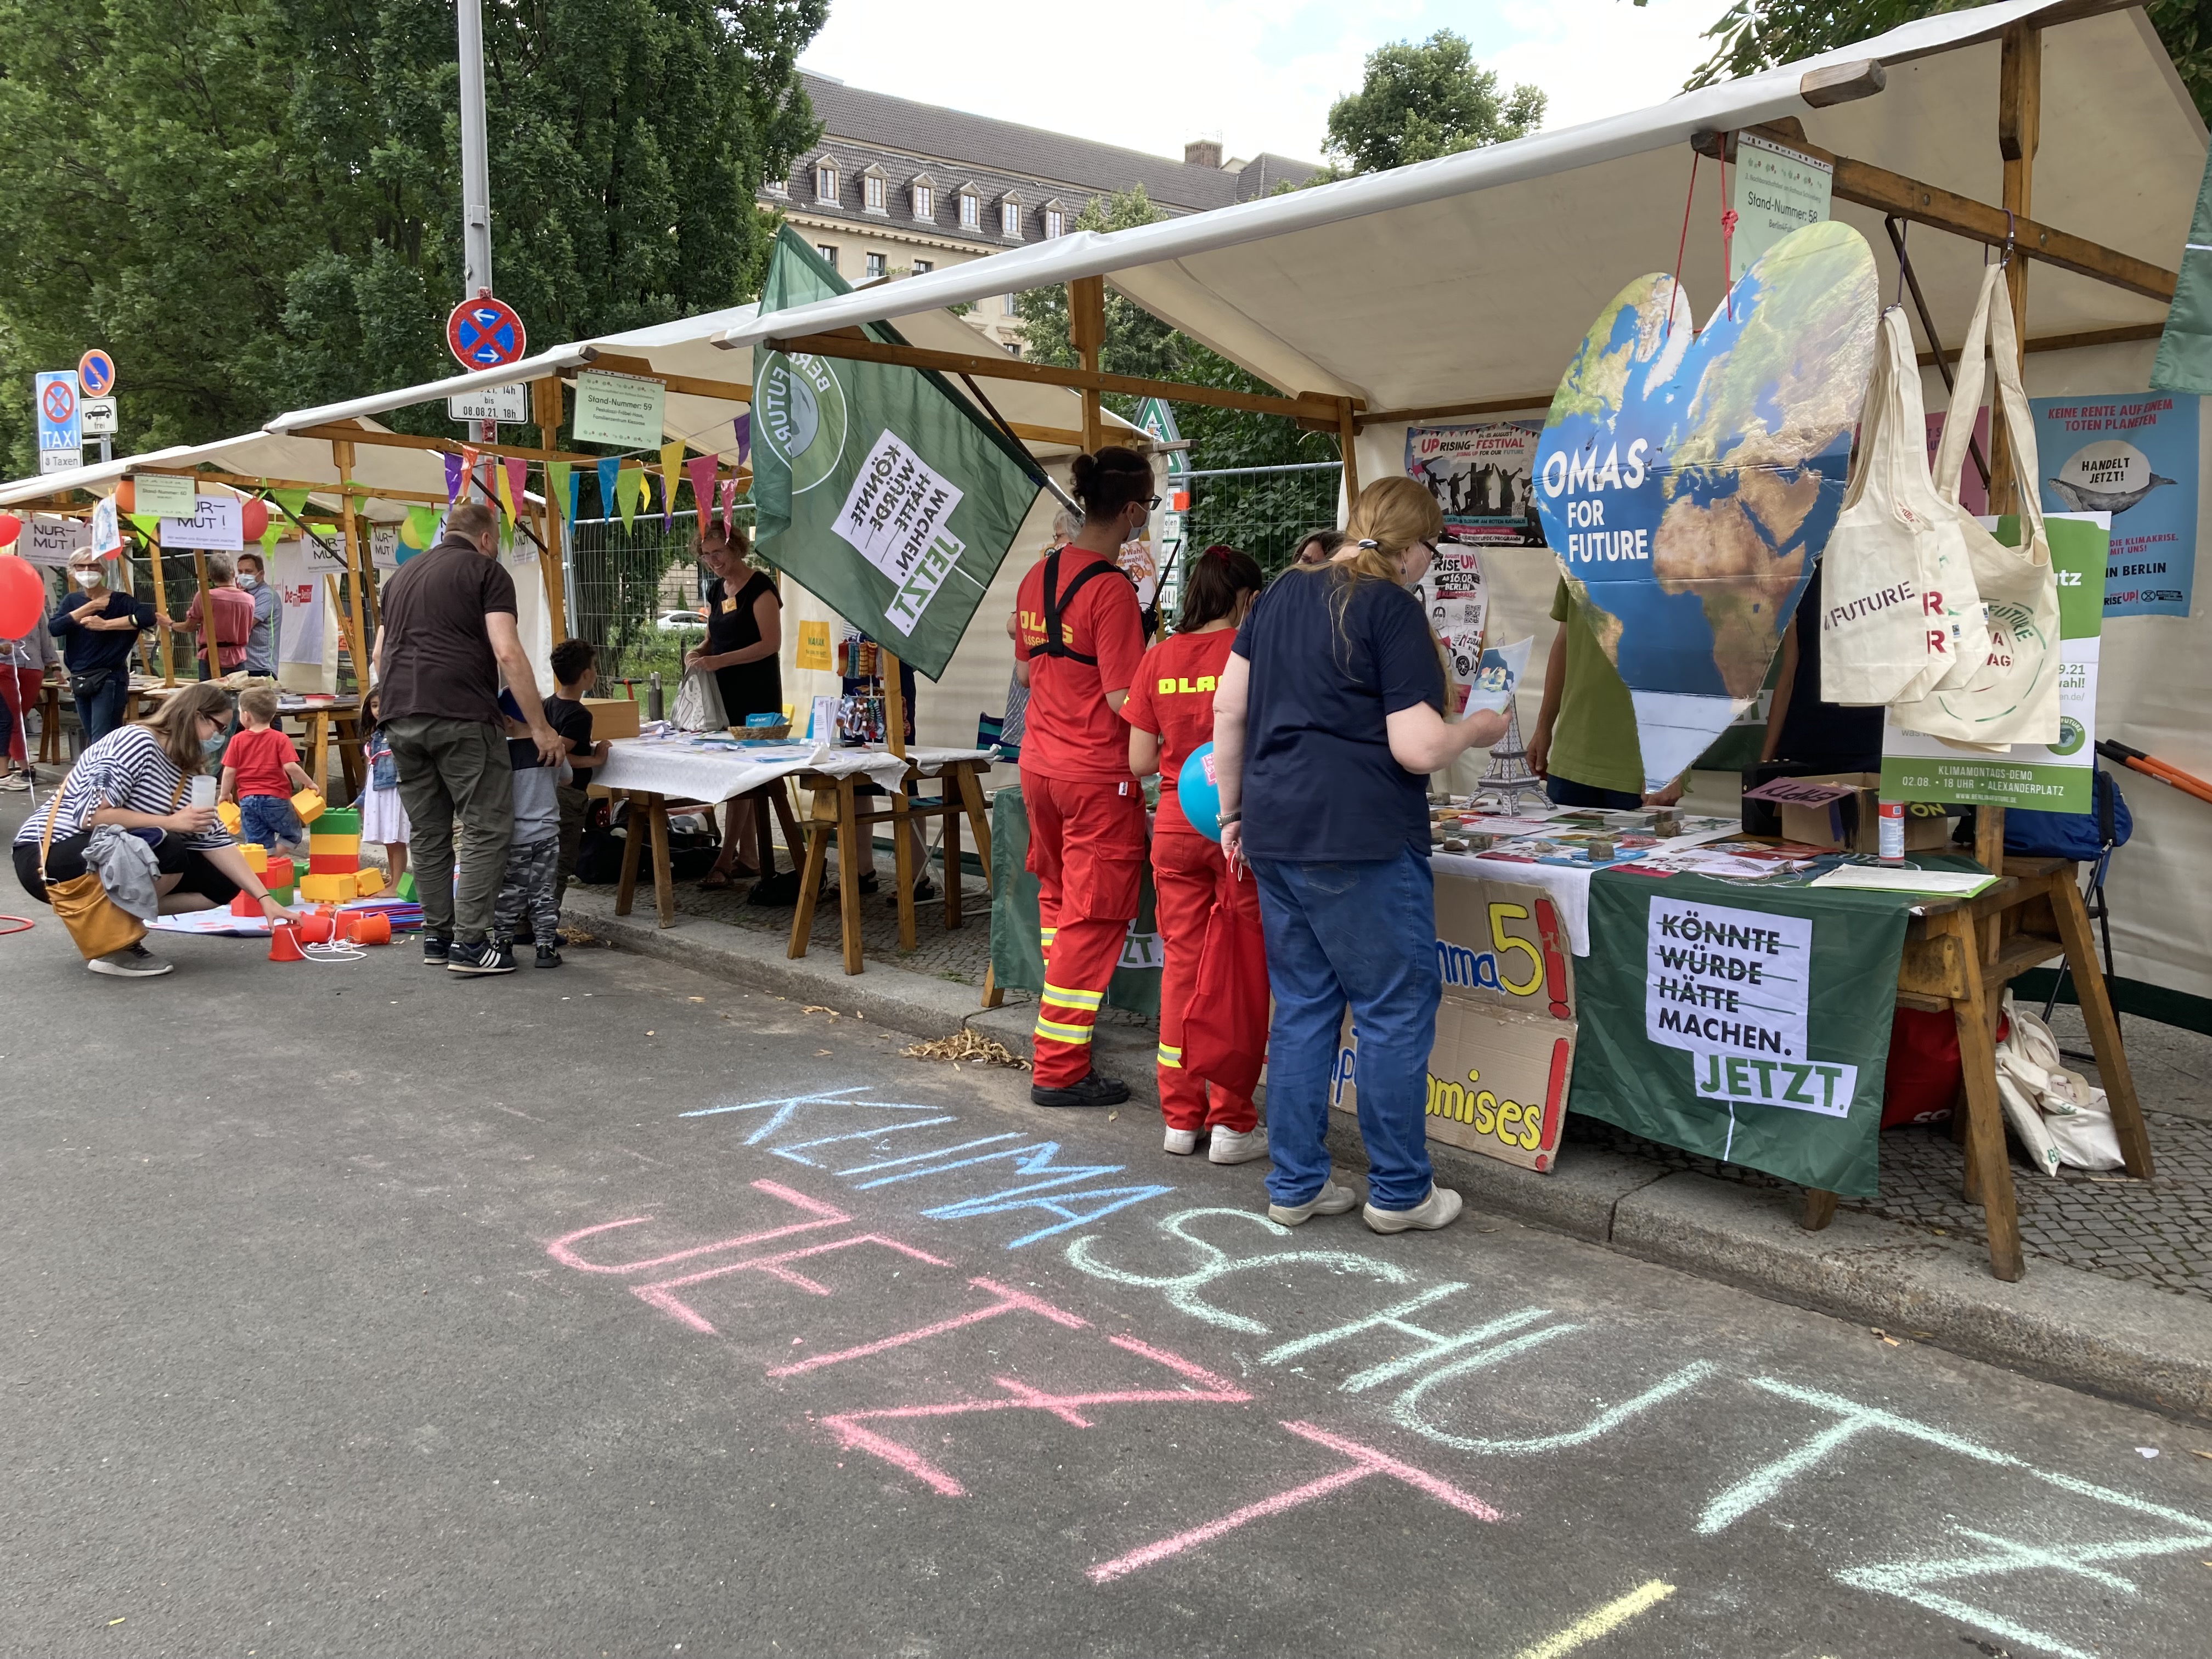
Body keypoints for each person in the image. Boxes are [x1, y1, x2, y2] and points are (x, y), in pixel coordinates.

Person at [1213, 477, 1507, 1233]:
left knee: (1305, 1009)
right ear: (1414, 548)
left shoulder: (1280, 593)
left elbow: (1229, 709)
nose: (1425, 565)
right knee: (1391, 1012)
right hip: (1362, 836)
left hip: (1276, 829)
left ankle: (1296, 1182)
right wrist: (1477, 728)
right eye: (1431, 552)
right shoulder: (1392, 608)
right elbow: (1417, 750)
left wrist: (1233, 812)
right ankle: (1401, 1192)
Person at [1013, 446, 1154, 1109]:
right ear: (1128, 511)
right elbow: (1127, 701)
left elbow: (1023, 674)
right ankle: (1061, 1065)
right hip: (1098, 775)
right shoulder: (1112, 591)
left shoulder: (1036, 577)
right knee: (1092, 917)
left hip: (1039, 765)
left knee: (1058, 902)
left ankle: (1063, 1023)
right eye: (1146, 510)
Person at [372, 499, 564, 977]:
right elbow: (506, 650)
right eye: (496, 541)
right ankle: (472, 944)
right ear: (485, 539)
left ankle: (437, 937)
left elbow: (379, 655)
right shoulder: (485, 572)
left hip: (400, 714)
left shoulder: (399, 579)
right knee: (484, 826)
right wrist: (540, 727)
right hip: (461, 714)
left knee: (430, 831)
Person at [1122, 544, 1269, 1163]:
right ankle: (1233, 1123)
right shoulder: (1254, 654)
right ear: (1244, 598)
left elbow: (1138, 761)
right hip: (1243, 828)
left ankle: (1180, 1119)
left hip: (1178, 828)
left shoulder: (1157, 659)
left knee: (1181, 967)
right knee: (1239, 971)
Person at [12, 681, 292, 977]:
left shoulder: (188, 769)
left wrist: (266, 901)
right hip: (48, 854)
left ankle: (115, 926)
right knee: (168, 847)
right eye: (219, 728)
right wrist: (171, 822)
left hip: (109, 851)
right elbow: (90, 815)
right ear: (196, 716)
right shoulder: (136, 742)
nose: (220, 738)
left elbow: (216, 840)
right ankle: (114, 943)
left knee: (221, 881)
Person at [1747, 561, 1886, 834]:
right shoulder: (1802, 582)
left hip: (1870, 747)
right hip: (1806, 746)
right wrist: (1766, 760)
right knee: (1799, 843)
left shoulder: (1888, 576)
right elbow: (1789, 674)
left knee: (1871, 844)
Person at [1526, 577, 1681, 809]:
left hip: (1640, 766)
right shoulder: (1573, 549)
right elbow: (1564, 641)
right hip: (1571, 757)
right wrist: (1543, 727)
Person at [690, 524, 782, 887]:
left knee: (744, 778)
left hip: (756, 696)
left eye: (718, 554)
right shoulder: (716, 589)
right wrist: (699, 652)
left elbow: (770, 644)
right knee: (735, 776)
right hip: (724, 695)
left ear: (737, 549)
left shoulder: (760, 588)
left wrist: (720, 661)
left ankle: (726, 860)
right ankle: (748, 857)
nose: (713, 562)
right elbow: (714, 638)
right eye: (706, 555)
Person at [494, 705, 572, 969]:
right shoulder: (552, 747)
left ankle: (503, 946)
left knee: (510, 891)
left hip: (514, 836)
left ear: (507, 721)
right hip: (547, 834)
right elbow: (568, 779)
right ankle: (545, 949)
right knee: (544, 892)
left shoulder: (502, 753)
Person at [51, 549, 155, 745]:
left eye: (93, 565)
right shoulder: (72, 601)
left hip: (108, 677)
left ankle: (105, 775)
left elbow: (147, 618)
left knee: (103, 740)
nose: (87, 570)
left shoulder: (121, 601)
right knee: (93, 739)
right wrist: (89, 608)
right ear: (72, 570)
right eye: (81, 566)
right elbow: (55, 628)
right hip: (80, 677)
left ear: (103, 570)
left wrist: (107, 625)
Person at [542, 639, 610, 911]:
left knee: (540, 859)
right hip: (568, 796)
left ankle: (525, 923)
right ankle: (545, 925)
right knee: (561, 862)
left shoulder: (548, 704)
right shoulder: (579, 715)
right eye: (593, 667)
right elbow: (558, 754)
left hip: (545, 792)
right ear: (586, 675)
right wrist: (595, 758)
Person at [218, 686, 315, 851]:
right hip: (276, 799)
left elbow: (229, 771)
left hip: (247, 801)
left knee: (257, 845)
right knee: (292, 835)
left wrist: (225, 794)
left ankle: (263, 865)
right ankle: (274, 859)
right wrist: (310, 783)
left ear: (246, 715)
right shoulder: (280, 739)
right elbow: (290, 766)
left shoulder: (237, 740)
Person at [158, 554, 256, 679]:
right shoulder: (249, 600)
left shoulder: (205, 597)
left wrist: (170, 623)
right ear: (232, 574)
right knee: (235, 696)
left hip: (210, 656)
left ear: (211, 575)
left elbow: (189, 627)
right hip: (238, 656)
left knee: (208, 696)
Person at [2, 583, 59, 790]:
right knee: (12, 718)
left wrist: (55, 665)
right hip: (5, 665)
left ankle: (5, 766)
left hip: (33, 666)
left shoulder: (35, 609)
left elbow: (45, 638)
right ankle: (25, 767)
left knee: (20, 716)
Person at [357, 689, 410, 890]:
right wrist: (363, 799)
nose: (379, 710)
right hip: (379, 792)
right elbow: (373, 769)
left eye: (382, 704)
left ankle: (397, 883)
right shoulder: (377, 736)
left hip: (393, 793)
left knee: (395, 839)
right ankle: (394, 879)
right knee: (389, 840)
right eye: (374, 705)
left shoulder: (398, 733)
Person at [234, 550, 280, 676]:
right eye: (240, 572)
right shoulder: (244, 595)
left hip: (261, 667)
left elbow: (244, 627)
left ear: (261, 574)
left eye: (249, 572)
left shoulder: (266, 595)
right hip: (244, 665)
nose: (243, 576)